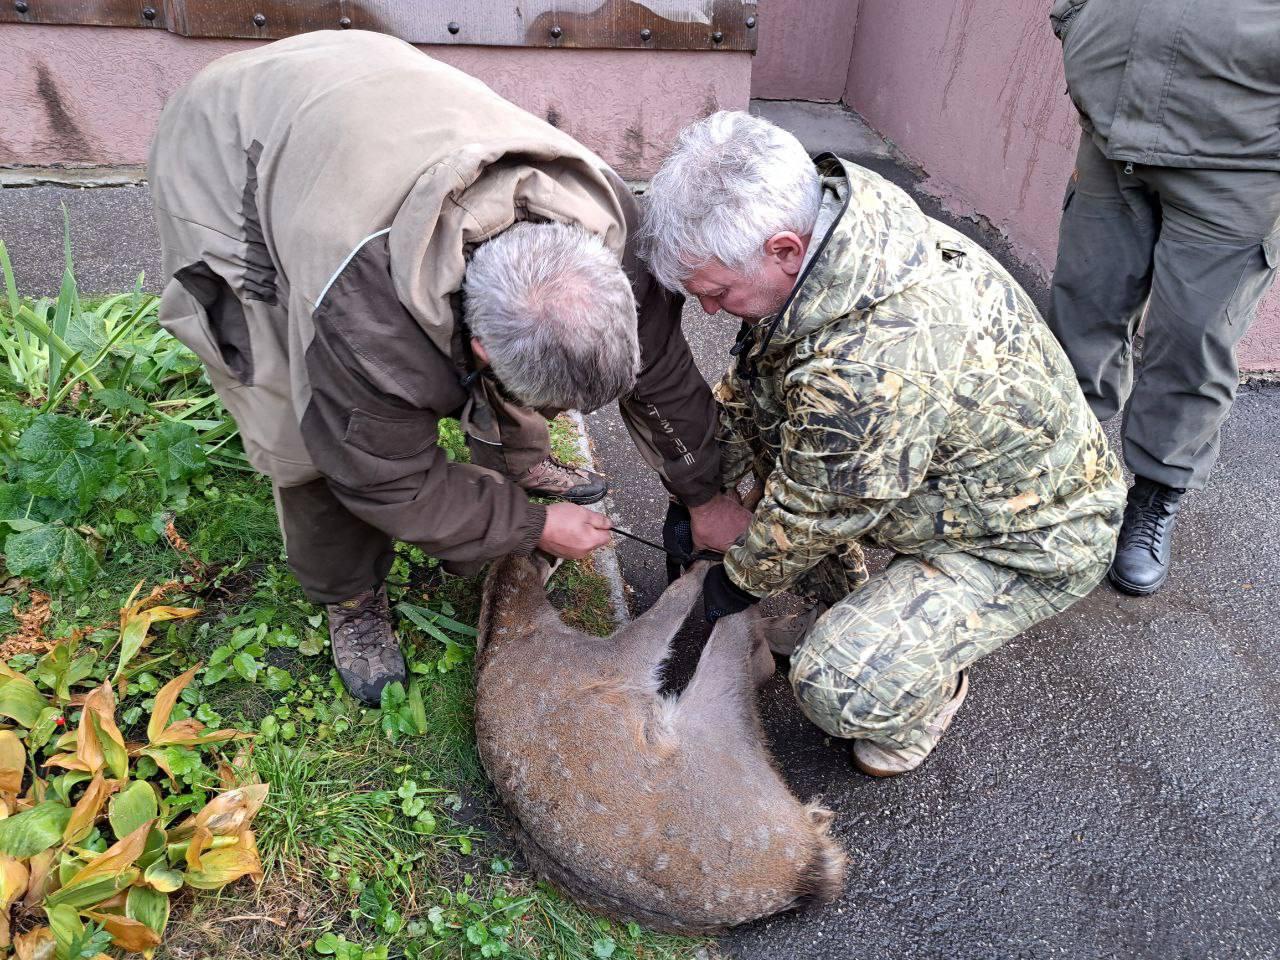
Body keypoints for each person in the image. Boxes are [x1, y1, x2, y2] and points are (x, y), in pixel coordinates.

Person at [148, 30, 748, 704]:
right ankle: (351, 599)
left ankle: (516, 467)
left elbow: (660, 366)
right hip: (235, 155)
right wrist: (533, 527)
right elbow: (379, 475)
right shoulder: (359, 319)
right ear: (483, 350)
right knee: (298, 428)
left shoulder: (613, 232)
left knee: (538, 351)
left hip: (375, 96)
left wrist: (704, 493)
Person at [643, 112, 1126, 777]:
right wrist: (704, 486)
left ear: (784, 249)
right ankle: (844, 595)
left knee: (840, 687)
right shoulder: (843, 240)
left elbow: (818, 508)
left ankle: (923, 693)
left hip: (1030, 535)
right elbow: (763, 397)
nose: (711, 313)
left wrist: (736, 581)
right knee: (753, 449)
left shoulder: (871, 366)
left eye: (719, 293)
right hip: (930, 468)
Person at [1048, 0, 1280, 596]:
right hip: (1113, 125)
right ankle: (1059, 470)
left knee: (1192, 340)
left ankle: (1154, 493)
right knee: (1082, 310)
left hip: (1244, 151)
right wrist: (1081, 20)